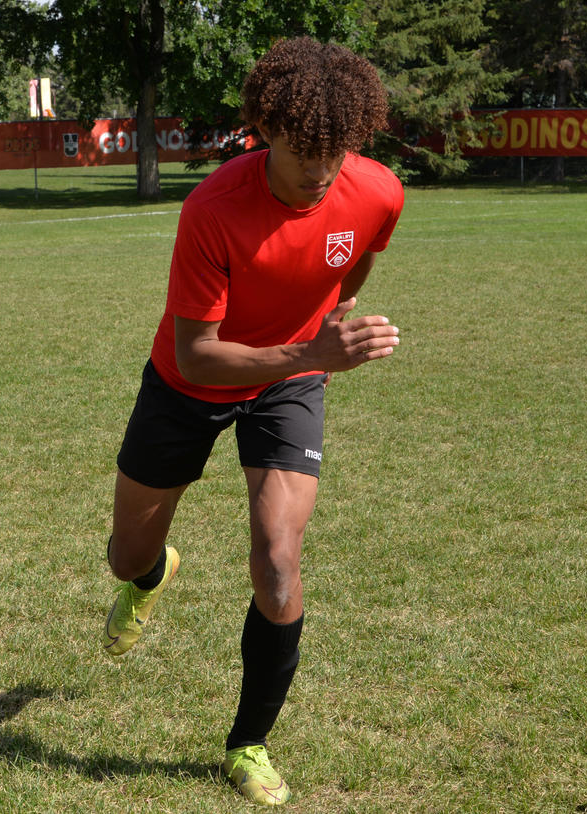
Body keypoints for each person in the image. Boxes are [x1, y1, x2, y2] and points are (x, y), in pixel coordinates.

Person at [102, 36, 404, 806]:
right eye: (305, 149)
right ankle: (150, 576)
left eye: (336, 150)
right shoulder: (214, 210)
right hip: (188, 385)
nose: (321, 170)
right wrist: (313, 347)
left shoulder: (378, 192)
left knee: (277, 563)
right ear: (266, 129)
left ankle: (248, 742)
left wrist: (324, 335)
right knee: (124, 552)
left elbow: (356, 260)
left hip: (289, 383)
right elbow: (197, 355)